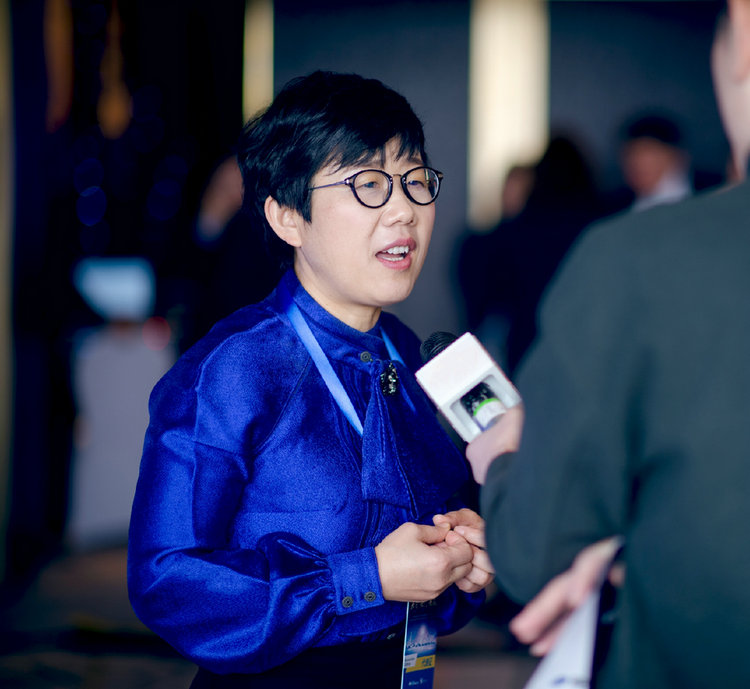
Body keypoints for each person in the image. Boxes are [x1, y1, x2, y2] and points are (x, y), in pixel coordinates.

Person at [127, 71, 493, 689]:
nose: (404, 209)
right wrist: (366, 577)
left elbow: (422, 573)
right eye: (368, 184)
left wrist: (460, 566)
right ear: (288, 217)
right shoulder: (236, 367)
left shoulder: (413, 355)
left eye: (414, 180)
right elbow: (166, 579)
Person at [467, 2, 750, 687]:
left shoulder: (636, 258)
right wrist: (629, 551)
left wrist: (503, 461)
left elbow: (536, 548)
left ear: (743, 29)